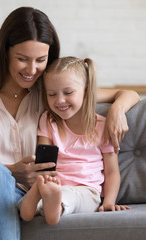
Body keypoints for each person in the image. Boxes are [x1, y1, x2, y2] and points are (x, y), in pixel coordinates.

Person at [0, 7, 140, 240]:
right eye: (22, 59)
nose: (31, 70)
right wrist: (12, 171)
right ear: (5, 52)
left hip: (10, 195)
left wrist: (117, 110)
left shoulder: (51, 95)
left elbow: (126, 93)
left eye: (40, 60)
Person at [18, 57, 131, 226]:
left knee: (68, 197)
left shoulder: (102, 126)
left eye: (68, 92)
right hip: (53, 185)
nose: (59, 100)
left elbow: (112, 172)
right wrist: (43, 182)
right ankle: (38, 198)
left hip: (86, 191)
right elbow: (44, 163)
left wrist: (109, 201)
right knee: (26, 204)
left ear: (86, 91)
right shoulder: (48, 120)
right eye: (52, 94)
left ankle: (53, 207)